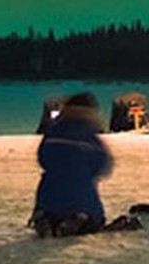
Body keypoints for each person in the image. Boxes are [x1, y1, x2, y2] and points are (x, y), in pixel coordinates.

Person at [30, 92, 141, 236]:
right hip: (81, 196)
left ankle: (45, 217)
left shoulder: (53, 132)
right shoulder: (88, 135)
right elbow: (102, 164)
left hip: (47, 196)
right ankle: (80, 218)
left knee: (51, 194)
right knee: (89, 210)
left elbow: (42, 158)